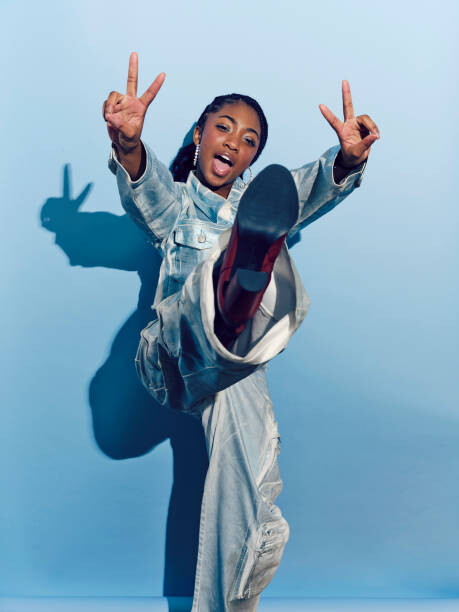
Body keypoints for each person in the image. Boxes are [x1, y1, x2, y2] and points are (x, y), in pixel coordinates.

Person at [103, 52, 379, 612]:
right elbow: (146, 188)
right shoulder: (177, 206)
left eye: (249, 140)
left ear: (253, 158)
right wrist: (129, 145)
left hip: (229, 371)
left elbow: (305, 187)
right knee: (221, 293)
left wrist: (346, 160)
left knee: (247, 482)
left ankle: (232, 590)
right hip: (171, 358)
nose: (234, 142)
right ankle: (233, 285)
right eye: (224, 128)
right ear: (200, 135)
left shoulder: (258, 200)